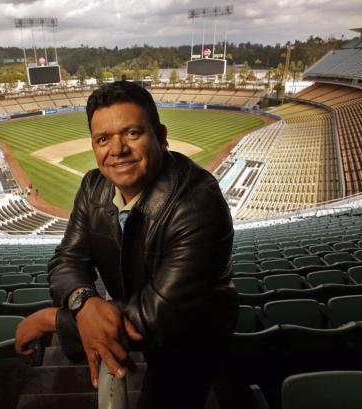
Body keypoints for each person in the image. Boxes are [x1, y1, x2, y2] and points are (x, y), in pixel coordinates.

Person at [15, 81, 238, 409]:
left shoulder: (200, 203)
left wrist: (52, 319)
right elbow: (67, 260)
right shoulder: (94, 185)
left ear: (161, 137)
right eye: (103, 139)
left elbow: (158, 316)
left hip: (191, 340)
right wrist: (85, 304)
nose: (116, 149)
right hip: (138, 316)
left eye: (132, 133)